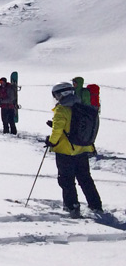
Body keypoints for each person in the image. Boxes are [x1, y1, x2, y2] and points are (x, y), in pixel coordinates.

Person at [46, 81, 102, 217]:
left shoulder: (61, 109)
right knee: (85, 179)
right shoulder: (81, 106)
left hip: (65, 151)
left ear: (61, 94)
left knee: (66, 180)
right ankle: (96, 205)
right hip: (82, 149)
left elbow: (58, 130)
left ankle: (72, 206)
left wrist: (51, 142)